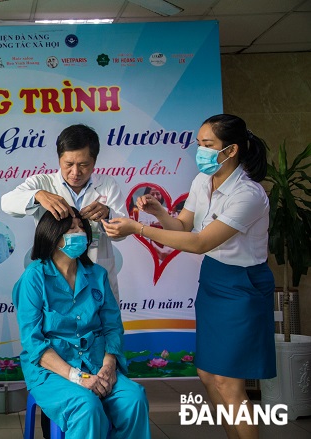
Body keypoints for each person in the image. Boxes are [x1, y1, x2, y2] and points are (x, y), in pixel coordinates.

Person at [103, 114, 273, 439]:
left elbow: (199, 242)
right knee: (209, 375)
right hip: (213, 281)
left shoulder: (248, 195)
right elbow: (183, 227)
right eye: (199, 144)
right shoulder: (202, 182)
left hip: (243, 288)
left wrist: (138, 228)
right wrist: (159, 213)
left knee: (229, 381)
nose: (201, 151)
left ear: (231, 150)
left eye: (208, 145)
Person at [13, 209, 150, 439]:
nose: (80, 232)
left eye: (81, 227)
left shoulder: (97, 274)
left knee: (134, 398)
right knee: (87, 406)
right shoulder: (34, 278)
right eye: (71, 228)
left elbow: (112, 326)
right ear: (52, 235)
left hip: (97, 363)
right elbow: (34, 343)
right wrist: (77, 377)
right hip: (52, 370)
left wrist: (108, 365)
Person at [1, 124, 128, 303]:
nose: (75, 172)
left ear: (95, 161)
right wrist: (37, 195)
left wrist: (108, 214)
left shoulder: (108, 185)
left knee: (104, 322)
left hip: (96, 275)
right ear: (59, 158)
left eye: (84, 165)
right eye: (68, 164)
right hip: (55, 277)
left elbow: (122, 232)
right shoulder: (42, 183)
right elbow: (6, 203)